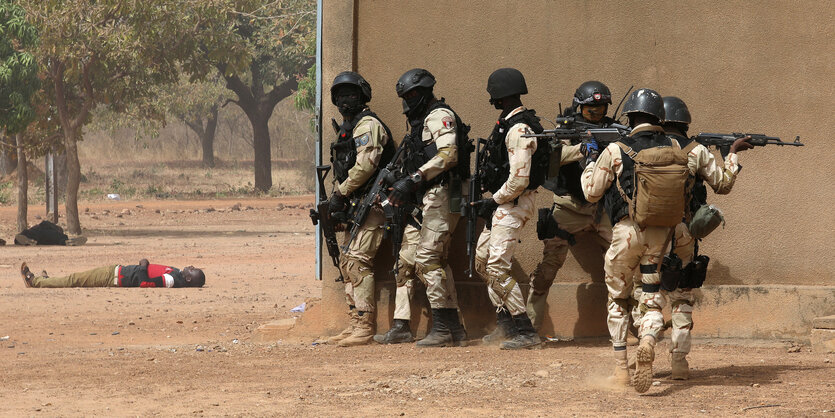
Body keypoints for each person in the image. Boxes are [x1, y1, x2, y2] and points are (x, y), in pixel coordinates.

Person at [581, 88, 751, 393]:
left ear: (631, 116)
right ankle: (653, 343)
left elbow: (592, 193)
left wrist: (590, 160)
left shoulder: (618, 149)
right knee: (656, 294)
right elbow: (722, 184)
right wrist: (732, 156)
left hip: (626, 233)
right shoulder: (684, 149)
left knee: (619, 298)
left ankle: (621, 370)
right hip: (667, 234)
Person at [625, 96, 750, 380]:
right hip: (683, 231)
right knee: (682, 294)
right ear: (685, 123)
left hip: (648, 231)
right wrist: (732, 153)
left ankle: (647, 340)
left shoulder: (641, 147)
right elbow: (723, 185)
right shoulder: (697, 150)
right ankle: (679, 362)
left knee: (644, 292)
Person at [383, 68, 468, 347]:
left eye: (414, 95)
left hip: (443, 193)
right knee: (429, 261)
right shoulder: (421, 123)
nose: (409, 101)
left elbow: (449, 154)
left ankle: (442, 329)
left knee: (429, 260)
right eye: (405, 96)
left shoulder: (439, 116)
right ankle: (453, 329)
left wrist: (414, 178)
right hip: (430, 198)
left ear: (427, 91)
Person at [526, 81, 617, 331]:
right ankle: (530, 329)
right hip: (568, 207)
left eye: (601, 108)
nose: (597, 113)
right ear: (579, 107)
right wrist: (582, 149)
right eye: (591, 109)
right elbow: (554, 159)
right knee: (548, 268)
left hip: (603, 207)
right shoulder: (566, 128)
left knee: (621, 266)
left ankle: (629, 329)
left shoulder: (614, 130)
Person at [472, 68, 544, 349]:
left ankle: (525, 330)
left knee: (498, 267)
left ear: (497, 97)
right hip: (504, 203)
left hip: (513, 203)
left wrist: (494, 200)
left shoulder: (518, 130)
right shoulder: (508, 124)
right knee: (482, 262)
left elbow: (519, 179)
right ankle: (506, 325)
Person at [324, 71, 395, 347]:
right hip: (357, 204)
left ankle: (365, 326)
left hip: (374, 203)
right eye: (340, 96)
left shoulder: (367, 125)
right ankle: (355, 322)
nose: (345, 100)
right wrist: (336, 201)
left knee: (357, 261)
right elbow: (343, 172)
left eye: (351, 94)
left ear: (362, 96)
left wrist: (340, 194)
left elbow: (366, 166)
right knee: (346, 262)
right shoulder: (348, 128)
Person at [20, 260, 205, 288]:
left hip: (114, 277)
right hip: (116, 272)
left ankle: (35, 282)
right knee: (76, 277)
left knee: (74, 279)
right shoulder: (176, 275)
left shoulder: (172, 279)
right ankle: (47, 280)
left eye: (192, 270)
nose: (190, 266)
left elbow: (144, 283)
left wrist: (143, 264)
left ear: (189, 278)